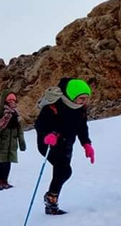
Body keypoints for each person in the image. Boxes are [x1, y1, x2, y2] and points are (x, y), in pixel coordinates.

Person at [35, 77, 95, 215]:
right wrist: (47, 135)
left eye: (86, 98)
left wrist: (86, 144)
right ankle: (51, 200)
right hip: (48, 144)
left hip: (67, 144)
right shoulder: (54, 106)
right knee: (64, 170)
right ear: (72, 95)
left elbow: (82, 127)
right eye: (81, 98)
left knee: (63, 171)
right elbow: (40, 124)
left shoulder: (80, 109)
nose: (84, 101)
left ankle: (51, 201)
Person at [0, 90, 26, 191]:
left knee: (8, 163)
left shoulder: (16, 113)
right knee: (2, 163)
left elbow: (19, 130)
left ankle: (5, 181)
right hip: (2, 142)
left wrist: (22, 142)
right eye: (9, 99)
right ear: (4, 100)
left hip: (12, 142)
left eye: (13, 99)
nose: (12, 101)